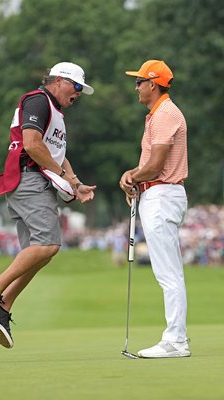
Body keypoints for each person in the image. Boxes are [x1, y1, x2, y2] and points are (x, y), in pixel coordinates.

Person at [0, 62, 96, 349]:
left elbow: (56, 153)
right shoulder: (38, 100)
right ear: (58, 81)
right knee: (49, 245)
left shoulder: (55, 112)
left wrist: (75, 183)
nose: (78, 94)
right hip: (29, 180)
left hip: (33, 182)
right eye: (76, 87)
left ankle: (3, 306)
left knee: (40, 253)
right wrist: (59, 177)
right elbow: (32, 143)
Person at [119, 60, 190, 358]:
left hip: (162, 195)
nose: (136, 87)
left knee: (168, 273)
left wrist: (131, 176)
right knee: (168, 271)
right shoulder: (157, 114)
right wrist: (136, 177)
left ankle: (176, 340)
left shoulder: (164, 114)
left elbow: (157, 165)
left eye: (139, 82)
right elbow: (152, 165)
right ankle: (176, 338)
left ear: (153, 84)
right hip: (157, 194)